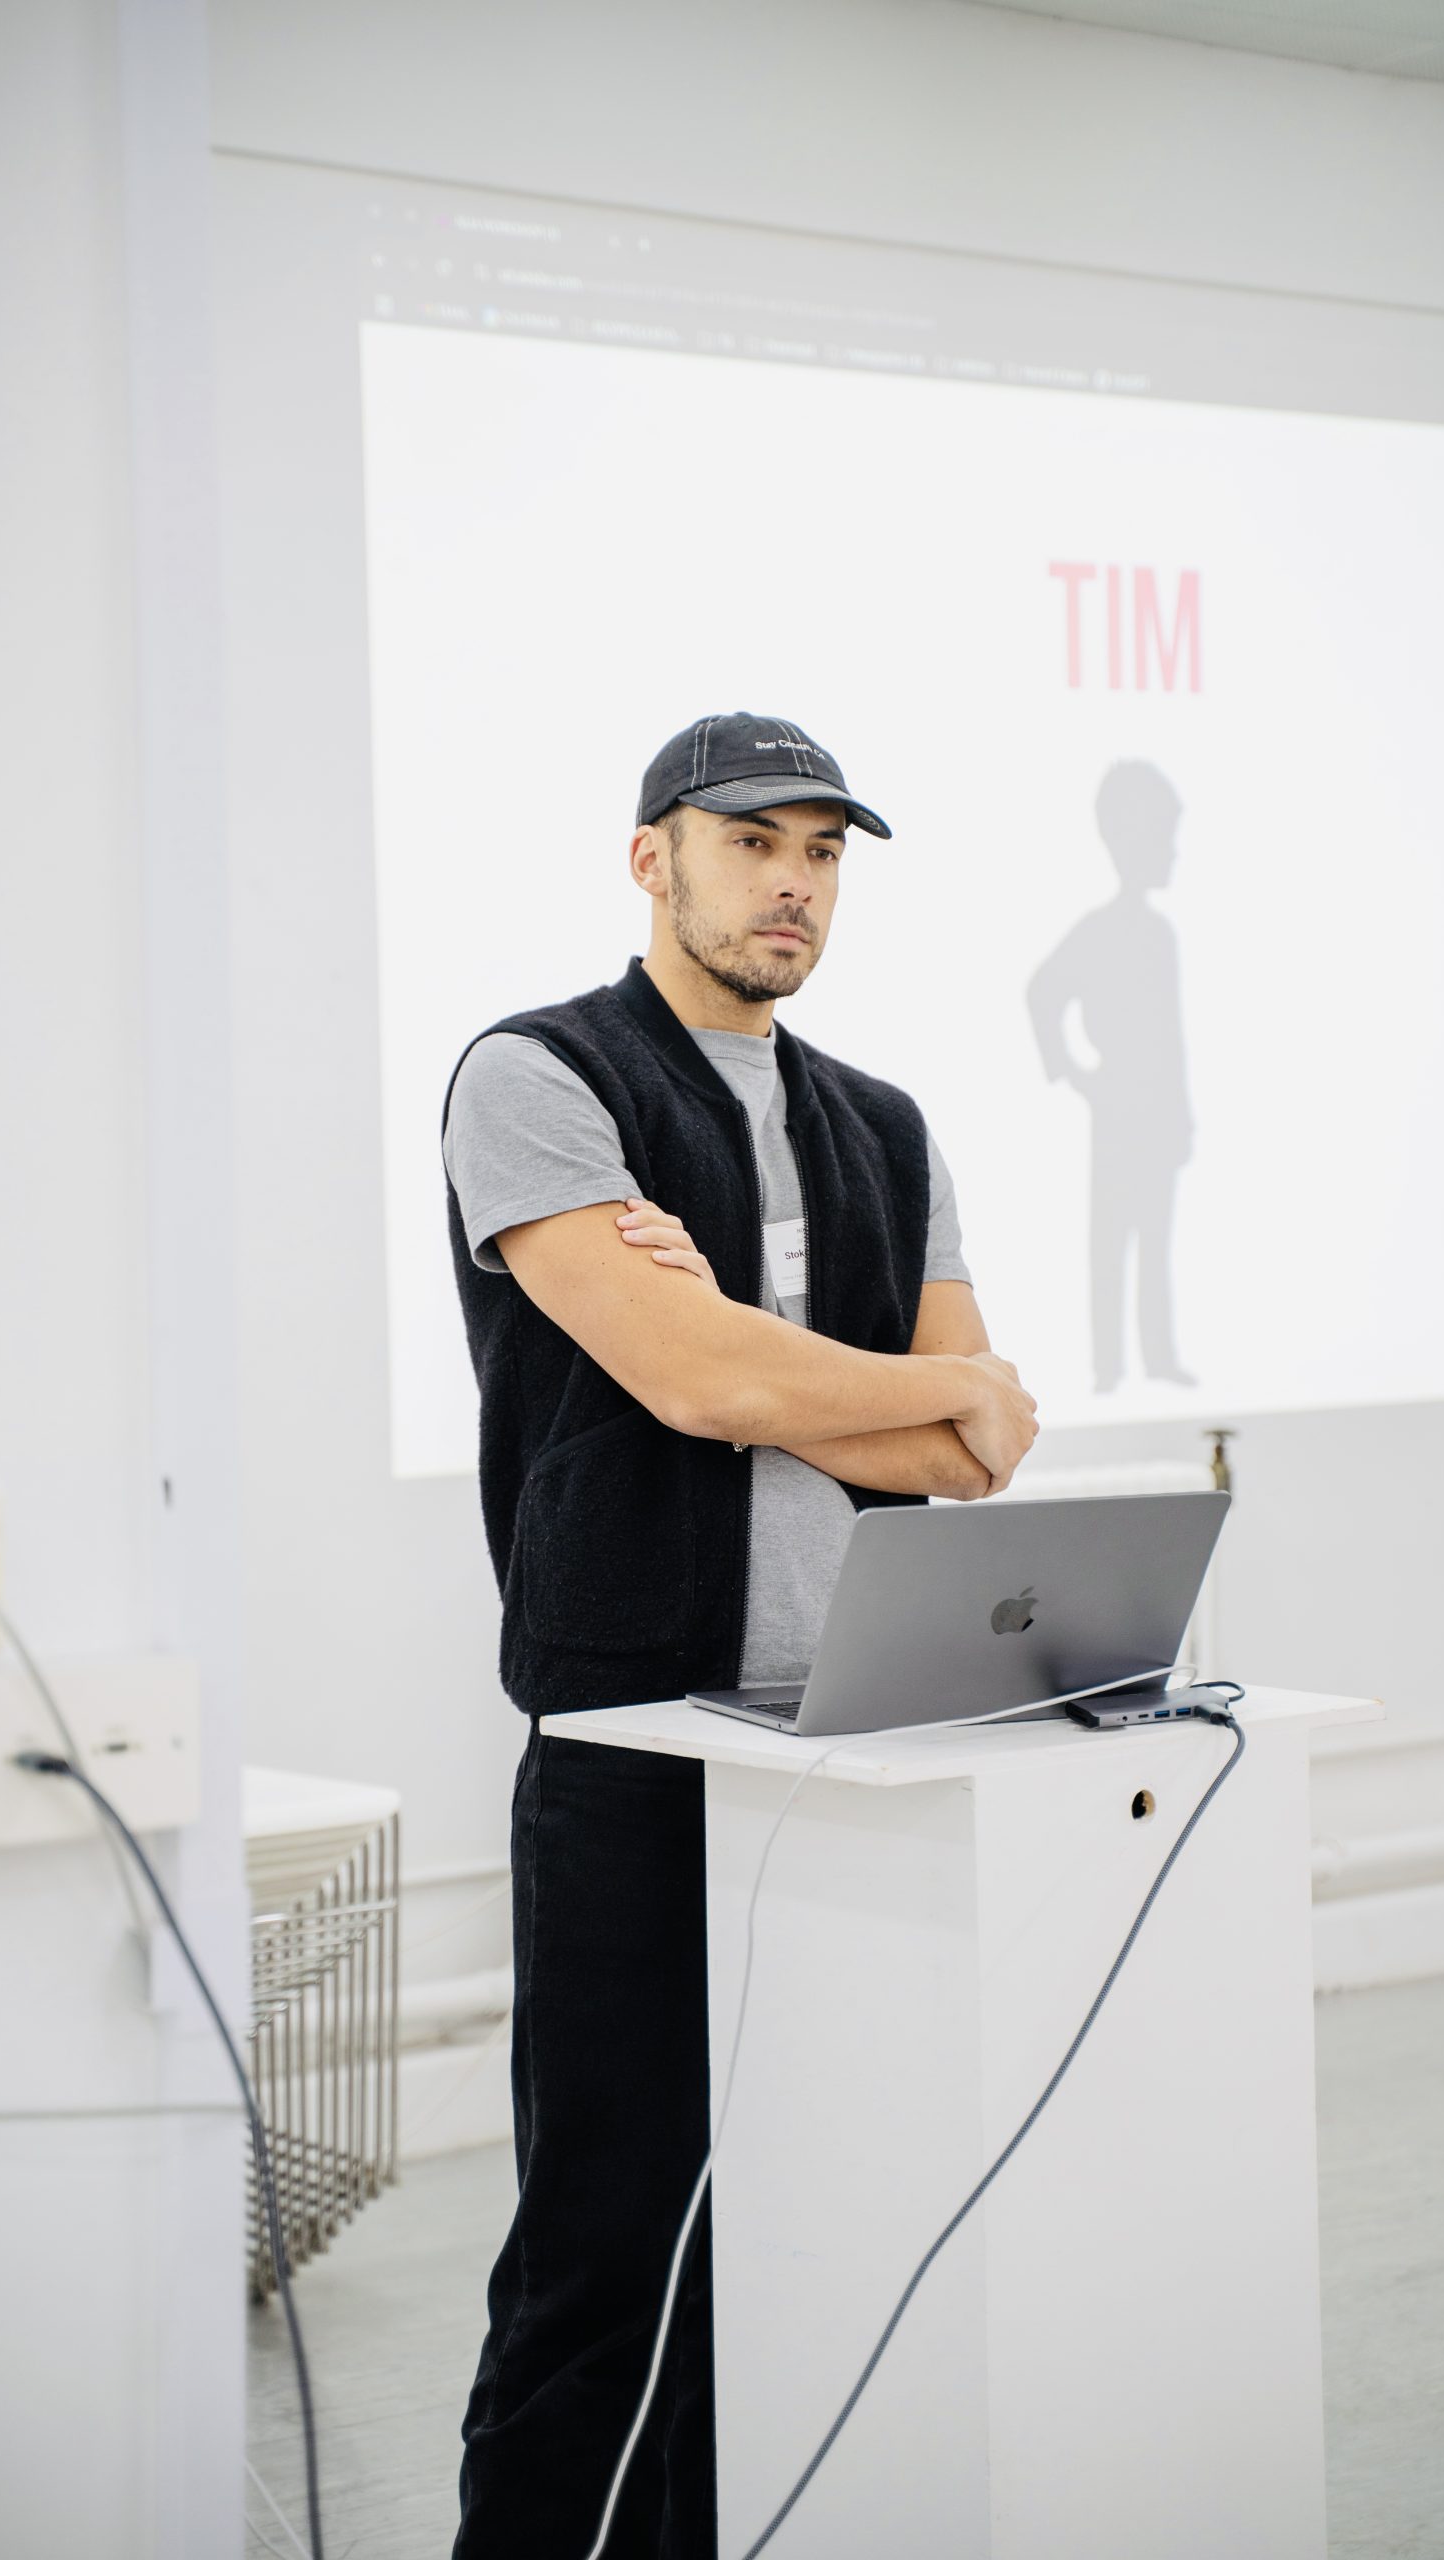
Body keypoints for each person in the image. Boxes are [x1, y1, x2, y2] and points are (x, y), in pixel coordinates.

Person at [441, 711, 1039, 2558]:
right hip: (633, 1739)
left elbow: (969, 1450)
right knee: (602, 2247)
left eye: (822, 852)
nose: (792, 881)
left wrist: (751, 1372)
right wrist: (777, 1378)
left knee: (795, 2238)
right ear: (653, 858)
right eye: (751, 840)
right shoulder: (539, 1077)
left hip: (852, 1738)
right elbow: (704, 1384)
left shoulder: (884, 1122)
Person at [1025, 761, 1197, 1394]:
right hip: (1119, 1109)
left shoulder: (1161, 935)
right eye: (1165, 837)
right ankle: (1108, 1368)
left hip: (1157, 1114)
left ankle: (1156, 1358)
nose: (1174, 852)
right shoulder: (1101, 931)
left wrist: (1181, 1116)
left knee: (1155, 1240)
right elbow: (1042, 992)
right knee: (1112, 1239)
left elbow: (1173, 1038)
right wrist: (1071, 1072)